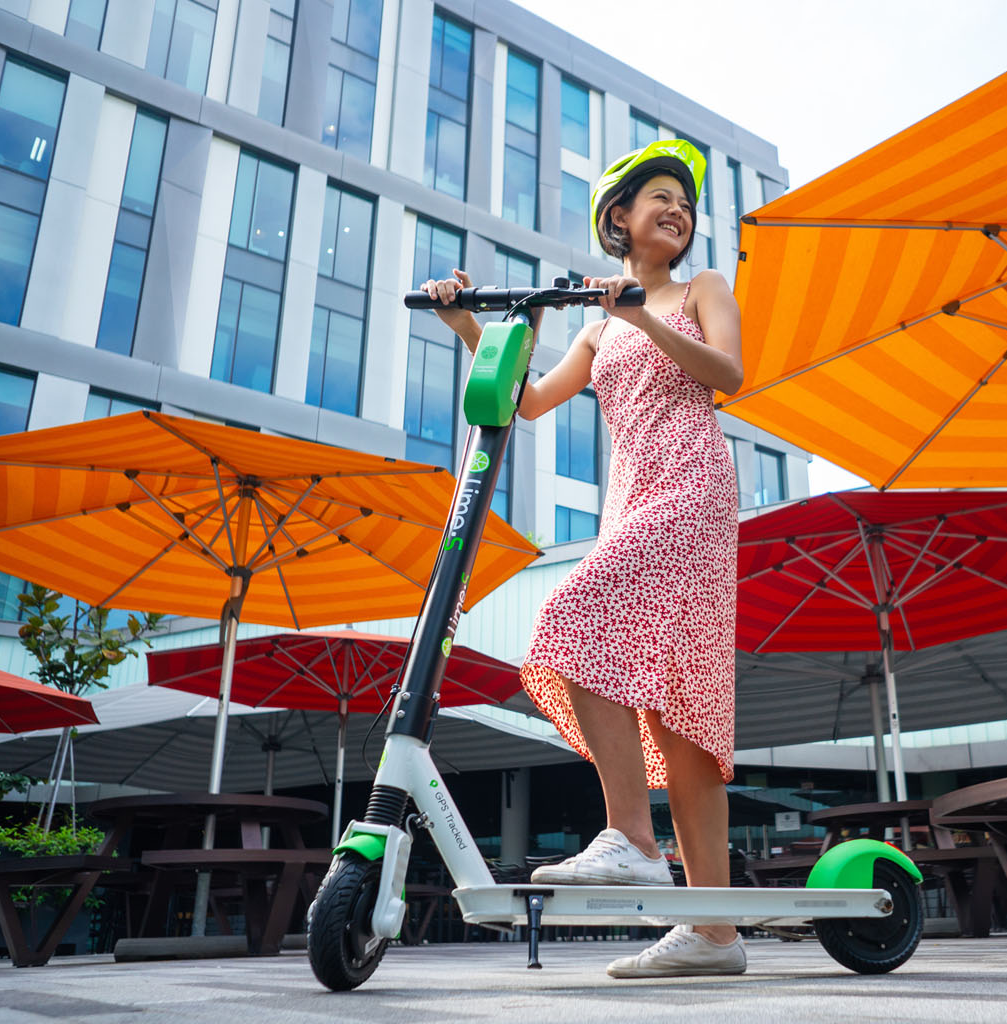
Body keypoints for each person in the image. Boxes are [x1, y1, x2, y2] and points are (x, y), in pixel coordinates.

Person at [421, 138, 746, 979]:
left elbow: (729, 374)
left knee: (573, 617)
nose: (676, 210)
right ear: (618, 217)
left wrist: (644, 317)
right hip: (631, 497)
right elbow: (527, 403)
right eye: (659, 197)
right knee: (677, 710)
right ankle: (715, 935)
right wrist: (466, 327)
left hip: (692, 485)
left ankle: (633, 837)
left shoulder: (700, 290)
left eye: (685, 202)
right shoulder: (598, 330)